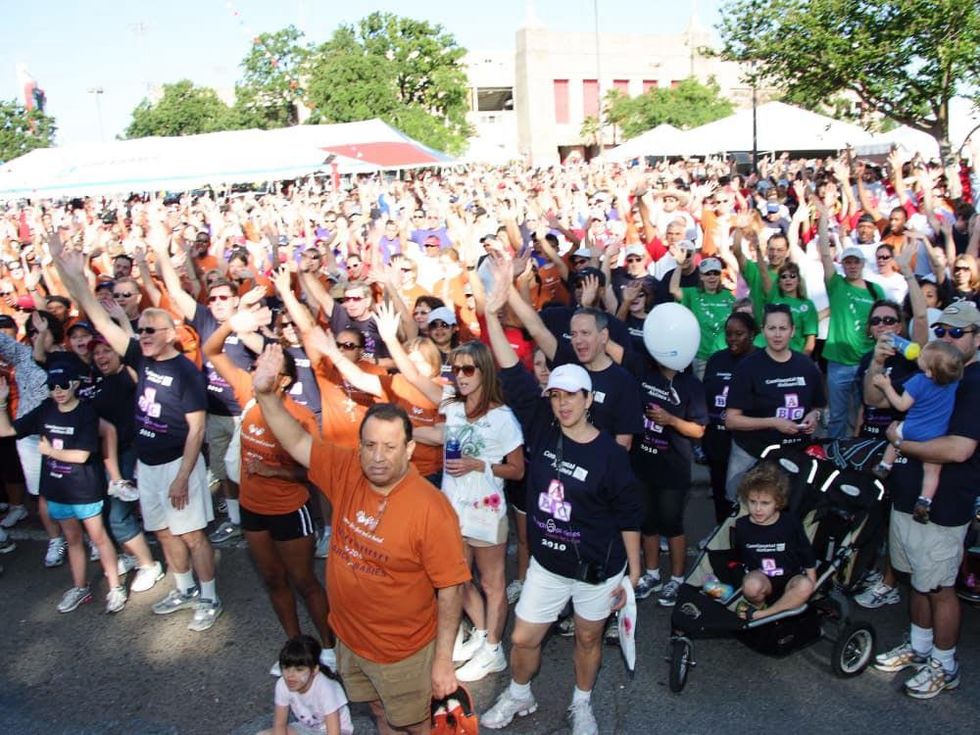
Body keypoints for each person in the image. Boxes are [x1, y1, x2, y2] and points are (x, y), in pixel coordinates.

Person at [253, 349, 469, 734]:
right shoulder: (347, 469)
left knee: (416, 724)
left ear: (410, 450)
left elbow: (451, 588)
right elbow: (297, 443)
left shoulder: (431, 509)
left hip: (402, 652)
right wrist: (267, 395)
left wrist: (443, 661)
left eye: (389, 447)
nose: (377, 457)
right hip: (350, 639)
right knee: (379, 713)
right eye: (369, 445)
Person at [481, 262, 641, 735]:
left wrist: (630, 573)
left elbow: (629, 512)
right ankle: (519, 694)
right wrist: (493, 312)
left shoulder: (611, 454)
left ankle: (583, 703)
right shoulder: (540, 425)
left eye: (572, 396)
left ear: (588, 399)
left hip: (596, 567)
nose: (563, 404)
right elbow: (509, 370)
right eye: (556, 396)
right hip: (549, 566)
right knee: (525, 637)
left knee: (589, 638)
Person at [55, 245, 222, 633]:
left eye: (150, 330)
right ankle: (182, 589)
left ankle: (209, 596)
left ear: (169, 334)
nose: (142, 335)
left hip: (178, 464)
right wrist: (77, 280)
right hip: (147, 465)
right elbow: (98, 315)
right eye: (141, 329)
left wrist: (182, 477)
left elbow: (197, 429)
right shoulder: (139, 356)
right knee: (163, 531)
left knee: (192, 535)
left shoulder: (185, 372)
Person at [204, 320, 334, 674]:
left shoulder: (301, 417)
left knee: (304, 581)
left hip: (290, 511)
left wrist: (275, 472)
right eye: (257, 365)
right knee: (273, 579)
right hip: (252, 510)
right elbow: (211, 351)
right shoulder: (251, 395)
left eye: (266, 366)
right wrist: (233, 319)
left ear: (285, 380)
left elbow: (317, 470)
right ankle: (293, 647)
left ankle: (329, 648)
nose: (255, 369)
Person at [874, 300, 980, 699]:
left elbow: (958, 450)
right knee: (916, 580)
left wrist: (900, 441)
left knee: (940, 587)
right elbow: (879, 399)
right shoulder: (931, 369)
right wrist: (877, 362)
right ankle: (919, 647)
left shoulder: (974, 383)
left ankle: (944, 663)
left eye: (958, 332)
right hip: (907, 493)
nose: (948, 338)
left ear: (977, 338)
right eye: (942, 331)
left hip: (946, 502)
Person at [0, 364, 127, 614]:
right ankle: (80, 587)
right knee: (73, 540)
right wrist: (2, 403)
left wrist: (50, 452)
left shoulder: (86, 414)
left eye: (63, 385)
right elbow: (7, 430)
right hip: (57, 489)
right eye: (52, 387)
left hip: (84, 489)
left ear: (74, 385)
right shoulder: (45, 410)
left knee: (99, 538)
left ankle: (115, 588)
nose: (57, 391)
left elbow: (82, 456)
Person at [438, 340, 525, 682]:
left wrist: (479, 464)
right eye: (456, 369)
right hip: (453, 512)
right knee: (456, 579)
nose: (460, 376)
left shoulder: (503, 418)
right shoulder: (452, 408)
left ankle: (493, 651)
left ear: (484, 371)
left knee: (492, 584)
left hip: (486, 515)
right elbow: (415, 381)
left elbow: (517, 469)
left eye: (468, 369)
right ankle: (480, 631)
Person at [725, 304, 826, 500]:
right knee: (741, 509)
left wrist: (815, 415)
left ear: (792, 330)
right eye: (772, 328)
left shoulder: (806, 366)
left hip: (794, 456)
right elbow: (731, 420)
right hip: (752, 454)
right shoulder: (748, 367)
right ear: (763, 330)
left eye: (783, 328)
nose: (777, 334)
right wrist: (772, 422)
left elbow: (818, 406)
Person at [872, 341, 963, 523]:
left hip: (911, 429)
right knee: (932, 471)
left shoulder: (918, 381)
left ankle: (884, 466)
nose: (918, 355)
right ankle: (924, 501)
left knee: (895, 434)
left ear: (929, 371)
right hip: (936, 435)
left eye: (922, 357)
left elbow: (901, 405)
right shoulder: (953, 384)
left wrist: (886, 386)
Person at [732, 462, 816, 620]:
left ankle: (763, 615)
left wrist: (812, 580)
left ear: (777, 503)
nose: (757, 509)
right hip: (763, 578)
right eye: (752, 502)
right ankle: (761, 607)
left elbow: (805, 550)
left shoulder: (790, 523)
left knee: (806, 585)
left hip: (790, 577)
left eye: (765, 503)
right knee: (751, 586)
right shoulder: (742, 525)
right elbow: (739, 557)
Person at [702, 312, 758, 524]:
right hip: (717, 438)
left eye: (739, 334)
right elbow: (706, 395)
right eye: (729, 334)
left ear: (752, 334)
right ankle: (720, 535)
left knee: (746, 493)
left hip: (747, 441)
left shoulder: (760, 361)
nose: (733, 339)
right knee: (719, 491)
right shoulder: (716, 360)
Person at [259, 635, 353, 735]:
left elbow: (334, 731)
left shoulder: (325, 688)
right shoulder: (282, 684)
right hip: (305, 728)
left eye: (299, 670)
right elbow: (280, 723)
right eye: (286, 668)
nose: (290, 675)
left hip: (337, 730)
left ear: (314, 670)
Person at [669, 250, 735, 379]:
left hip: (724, 355)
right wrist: (679, 266)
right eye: (708, 274)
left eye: (715, 273)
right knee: (701, 393)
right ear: (701, 276)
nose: (712, 277)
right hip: (701, 357)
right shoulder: (692, 294)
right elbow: (673, 289)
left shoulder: (729, 297)